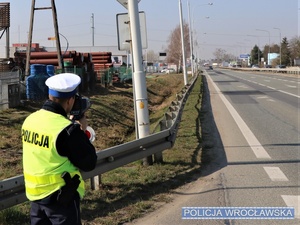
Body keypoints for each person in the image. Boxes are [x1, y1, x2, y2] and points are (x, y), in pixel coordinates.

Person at [22, 73, 97, 225]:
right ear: (70, 100)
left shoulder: (30, 120)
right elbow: (89, 162)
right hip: (61, 200)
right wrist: (81, 130)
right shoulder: (67, 130)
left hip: (36, 197)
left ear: (50, 95)